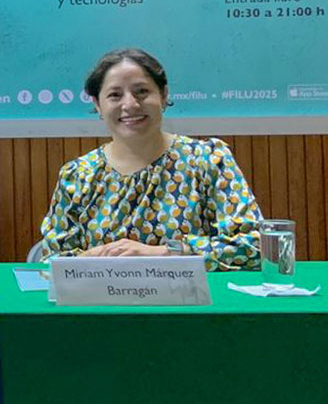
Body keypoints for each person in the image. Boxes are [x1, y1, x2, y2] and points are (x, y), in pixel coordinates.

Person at [39, 48, 262, 270]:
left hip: (188, 294)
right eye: (115, 95)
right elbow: (51, 261)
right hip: (100, 294)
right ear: (98, 104)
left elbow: (253, 245)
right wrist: (95, 257)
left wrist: (164, 253)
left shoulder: (208, 161)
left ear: (163, 96)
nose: (130, 104)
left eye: (142, 91)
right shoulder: (77, 176)